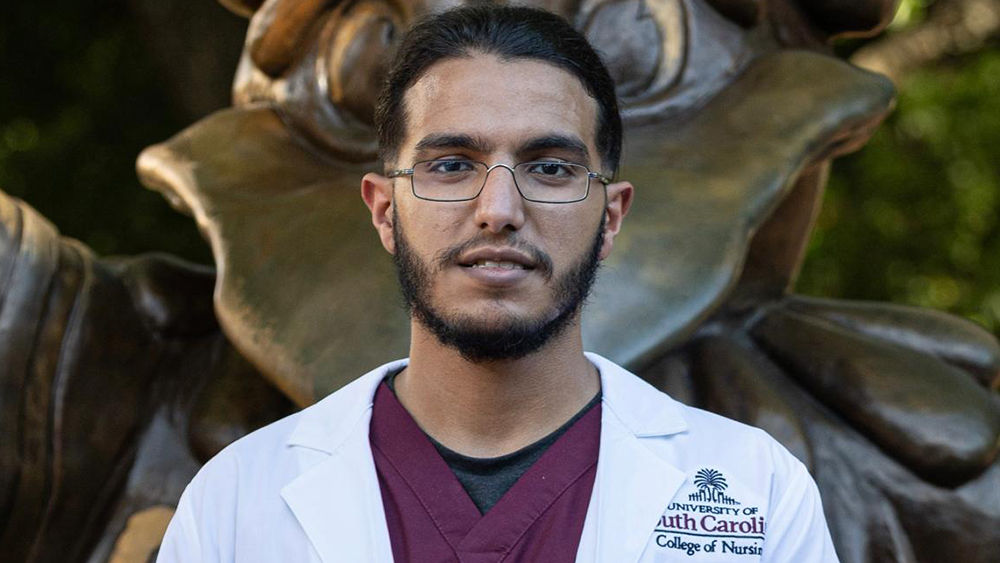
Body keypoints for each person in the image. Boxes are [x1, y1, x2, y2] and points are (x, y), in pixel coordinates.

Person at [156, 5, 839, 562]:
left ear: (612, 215)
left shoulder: (756, 492)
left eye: (550, 168)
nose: (499, 210)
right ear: (385, 209)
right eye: (452, 164)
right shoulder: (235, 502)